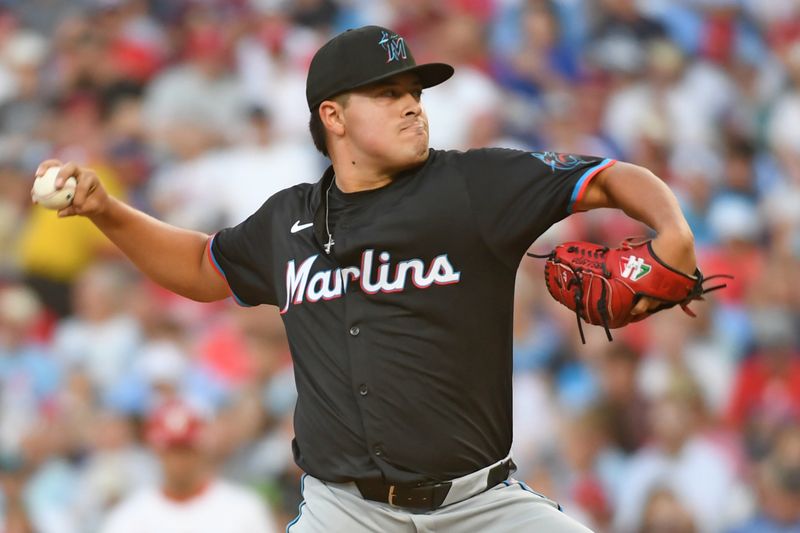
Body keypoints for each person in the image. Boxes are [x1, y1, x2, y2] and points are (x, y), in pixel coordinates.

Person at [36, 25, 698, 533]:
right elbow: (201, 267)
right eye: (389, 94)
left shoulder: (475, 184)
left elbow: (606, 176)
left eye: (415, 93)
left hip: (481, 506)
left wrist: (673, 231)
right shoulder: (288, 220)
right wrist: (106, 210)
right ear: (334, 115)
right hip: (344, 512)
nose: (413, 107)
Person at [98, 399, 276, 533]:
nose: (178, 461)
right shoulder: (129, 517)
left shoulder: (244, 509)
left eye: (185, 449)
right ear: (157, 452)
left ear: (200, 449)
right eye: (171, 450)